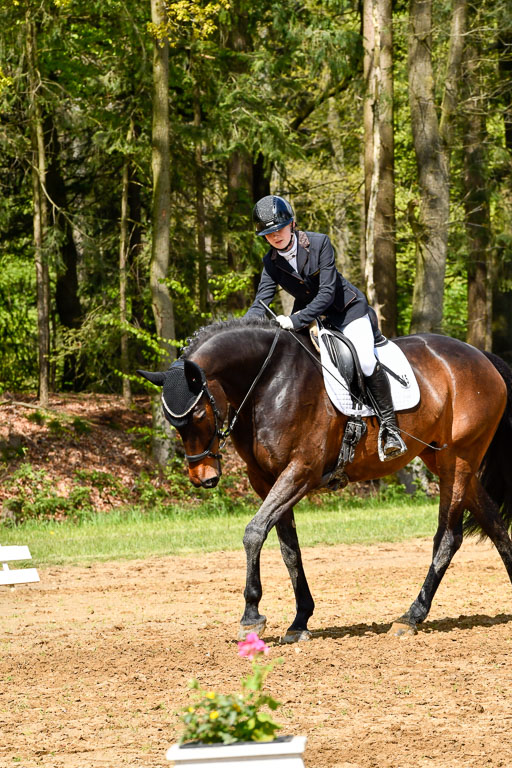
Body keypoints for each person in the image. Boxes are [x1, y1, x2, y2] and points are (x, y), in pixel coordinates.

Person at [246, 194, 406, 461]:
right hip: (315, 320)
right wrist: (241, 331)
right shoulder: (270, 262)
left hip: (347, 312)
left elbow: (327, 293)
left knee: (365, 362)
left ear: (292, 224)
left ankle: (390, 428)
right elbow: (261, 302)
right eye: (268, 233)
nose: (275, 236)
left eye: (279, 229)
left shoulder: (320, 243)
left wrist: (295, 320)